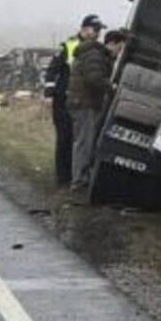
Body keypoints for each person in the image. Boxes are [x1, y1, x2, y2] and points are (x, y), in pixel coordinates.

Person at [44, 15, 102, 186]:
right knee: (65, 136)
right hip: (63, 98)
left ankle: (74, 174)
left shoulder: (94, 49)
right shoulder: (69, 46)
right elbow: (52, 70)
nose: (98, 33)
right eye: (95, 29)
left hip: (79, 99)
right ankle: (63, 177)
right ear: (84, 29)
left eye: (99, 30)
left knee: (78, 138)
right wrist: (49, 93)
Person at [67, 22, 119, 194]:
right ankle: (79, 181)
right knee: (84, 143)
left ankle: (80, 178)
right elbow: (94, 78)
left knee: (82, 142)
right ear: (113, 43)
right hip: (85, 104)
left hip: (80, 102)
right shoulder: (95, 55)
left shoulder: (92, 53)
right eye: (120, 47)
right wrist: (111, 87)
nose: (119, 52)